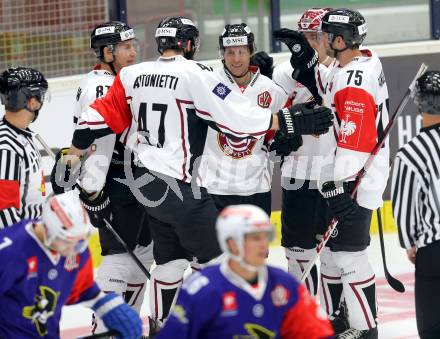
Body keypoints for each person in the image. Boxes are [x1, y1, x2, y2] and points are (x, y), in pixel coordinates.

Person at [52, 16, 333, 326]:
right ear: (189, 44)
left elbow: (93, 119)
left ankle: (161, 328)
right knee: (230, 262)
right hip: (176, 188)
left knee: (170, 261)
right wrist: (288, 121)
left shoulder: (133, 73)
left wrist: (72, 157)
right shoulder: (196, 74)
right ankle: (212, 329)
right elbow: (236, 120)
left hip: (143, 184)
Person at [275, 8, 390, 338]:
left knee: (349, 256)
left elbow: (356, 142)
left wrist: (335, 184)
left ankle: (365, 328)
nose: (321, 39)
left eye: (325, 35)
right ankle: (341, 319)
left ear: (340, 40)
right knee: (333, 256)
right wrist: (307, 68)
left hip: (355, 178)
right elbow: (328, 87)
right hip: (353, 175)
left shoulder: (354, 79)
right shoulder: (361, 61)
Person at [50, 21, 154, 334]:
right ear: (108, 52)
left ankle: (126, 323)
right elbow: (97, 145)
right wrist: (93, 193)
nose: (133, 52)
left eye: (133, 45)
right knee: (118, 256)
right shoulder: (102, 85)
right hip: (115, 183)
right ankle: (105, 328)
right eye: (125, 47)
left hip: (131, 180)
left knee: (144, 251)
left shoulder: (115, 79)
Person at [157, 204, 334, 339]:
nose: (263, 244)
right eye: (255, 238)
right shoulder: (201, 289)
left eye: (266, 236)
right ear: (232, 243)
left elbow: (317, 333)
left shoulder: (283, 285)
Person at [0, 191, 142, 339]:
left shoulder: (75, 249)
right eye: (68, 241)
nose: (74, 249)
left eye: (79, 241)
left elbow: (81, 288)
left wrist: (107, 306)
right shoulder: (9, 252)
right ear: (48, 231)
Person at [270, 7, 336, 299]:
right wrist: (281, 135)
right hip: (297, 175)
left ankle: (338, 318)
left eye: (316, 36)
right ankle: (304, 323)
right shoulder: (285, 72)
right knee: (298, 255)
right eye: (306, 36)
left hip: (335, 177)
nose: (311, 42)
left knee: (338, 258)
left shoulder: (343, 72)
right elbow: (272, 117)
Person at [198, 23, 290, 216]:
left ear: (252, 52)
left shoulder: (271, 89)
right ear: (222, 53)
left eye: (242, 51)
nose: (236, 59)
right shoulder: (208, 84)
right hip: (215, 188)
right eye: (230, 52)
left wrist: (282, 139)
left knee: (255, 247)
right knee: (218, 247)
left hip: (256, 189)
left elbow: (282, 127)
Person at [391, 70, 440, 339]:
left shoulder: (410, 153)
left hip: (434, 251)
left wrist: (411, 243)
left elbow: (405, 212)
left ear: (419, 104)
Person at [0, 67, 48, 228]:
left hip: (34, 231)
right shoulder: (7, 148)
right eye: (41, 96)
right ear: (32, 102)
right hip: (23, 241)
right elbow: (5, 211)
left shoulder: (22, 134)